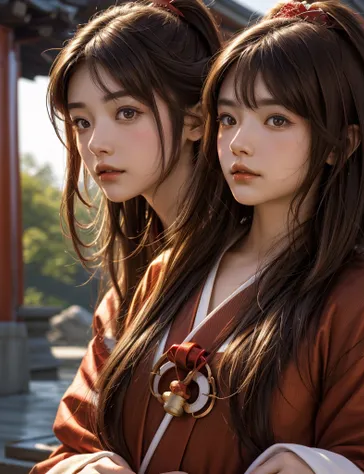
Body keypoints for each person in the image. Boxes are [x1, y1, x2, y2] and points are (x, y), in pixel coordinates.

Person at [35, 1, 364, 473]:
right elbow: (74, 442)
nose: (238, 143)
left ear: (342, 143)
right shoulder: (158, 277)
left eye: (276, 120)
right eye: (229, 118)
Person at [29, 1, 221, 473]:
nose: (96, 143)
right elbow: (71, 447)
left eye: (127, 111)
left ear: (197, 119)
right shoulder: (125, 297)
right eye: (82, 121)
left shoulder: (292, 275)